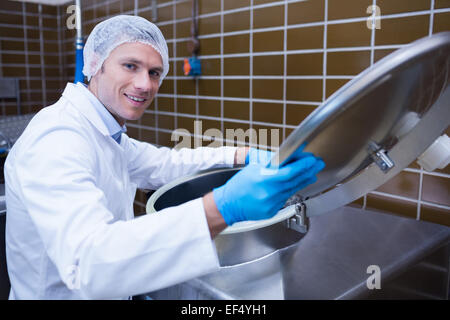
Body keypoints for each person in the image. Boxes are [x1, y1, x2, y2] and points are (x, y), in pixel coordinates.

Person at [4, 15, 324, 299]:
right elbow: (90, 263)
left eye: (155, 72)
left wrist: (243, 154)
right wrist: (223, 208)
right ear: (94, 65)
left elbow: (167, 164)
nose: (145, 84)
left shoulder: (106, 133)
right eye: (130, 66)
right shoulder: (58, 140)